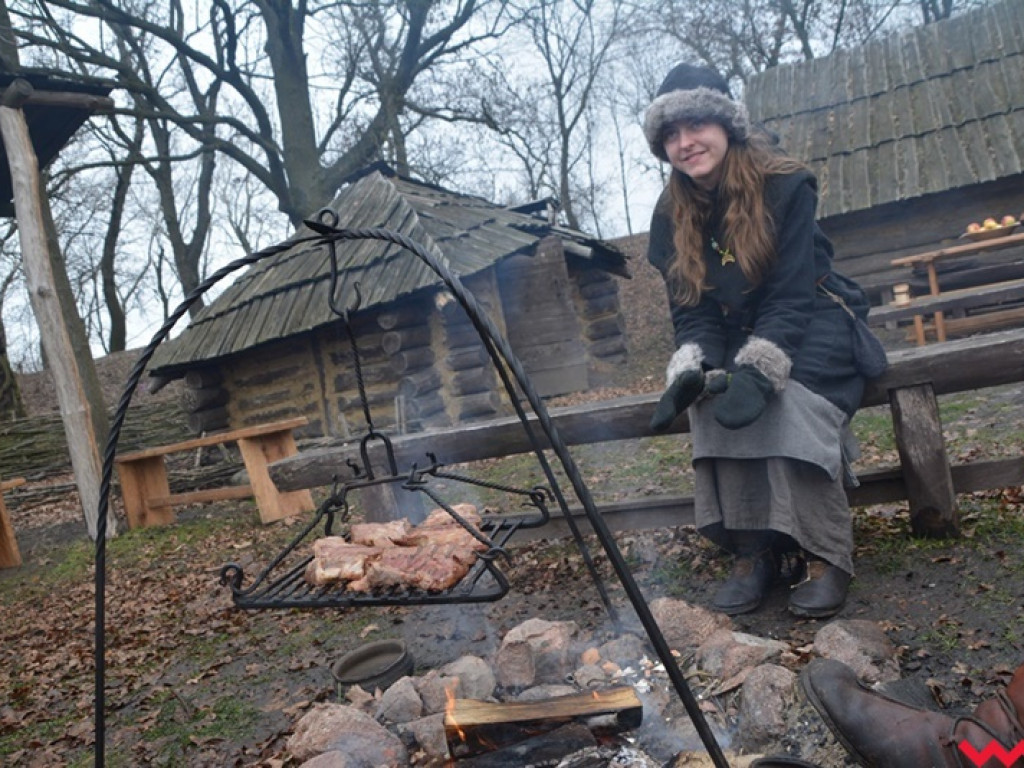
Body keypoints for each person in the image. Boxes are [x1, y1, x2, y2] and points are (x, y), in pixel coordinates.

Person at [643, 63, 878, 619]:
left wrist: (761, 370)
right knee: (711, 398)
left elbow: (792, 295)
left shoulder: (784, 183)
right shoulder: (668, 214)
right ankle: (757, 550)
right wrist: (692, 368)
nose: (685, 142)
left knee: (785, 399)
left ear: (727, 124)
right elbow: (692, 311)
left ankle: (825, 554)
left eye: (695, 124)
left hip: (816, 317)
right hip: (734, 329)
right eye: (670, 134)